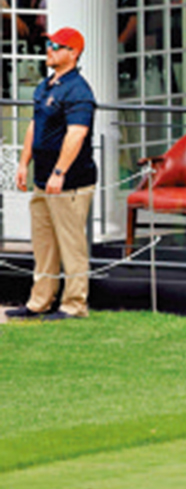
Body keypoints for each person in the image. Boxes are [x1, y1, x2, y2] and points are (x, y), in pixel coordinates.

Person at [5, 28, 98, 320]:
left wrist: (60, 172)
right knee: (43, 245)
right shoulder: (45, 86)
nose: (49, 49)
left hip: (70, 183)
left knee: (71, 245)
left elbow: (76, 134)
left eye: (56, 46)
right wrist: (24, 163)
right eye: (48, 44)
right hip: (42, 180)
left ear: (74, 53)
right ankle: (39, 301)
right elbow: (35, 126)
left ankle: (74, 305)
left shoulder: (79, 91)